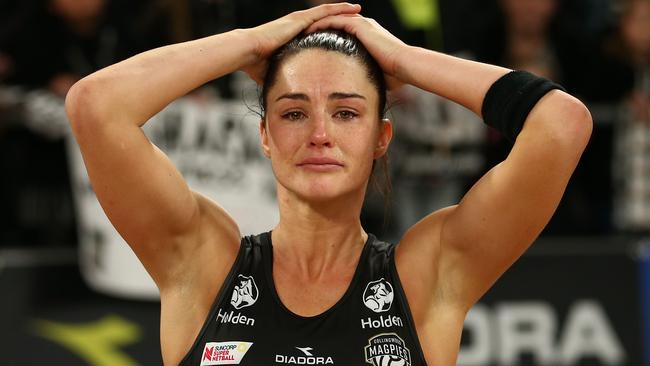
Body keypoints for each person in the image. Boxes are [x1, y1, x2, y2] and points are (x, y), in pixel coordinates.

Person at [65, 3, 592, 365]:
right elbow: (96, 106)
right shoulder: (204, 263)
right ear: (265, 135)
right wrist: (249, 43)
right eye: (293, 113)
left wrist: (402, 58)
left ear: (381, 137)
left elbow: (561, 124)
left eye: (345, 113)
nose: (319, 134)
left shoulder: (427, 275)